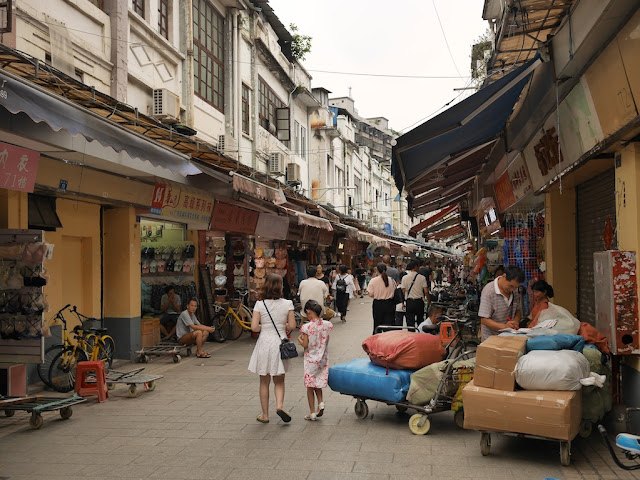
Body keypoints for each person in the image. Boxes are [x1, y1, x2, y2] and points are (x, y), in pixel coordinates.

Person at [248, 273, 297, 424]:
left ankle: (265, 415)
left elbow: (254, 327)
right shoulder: (288, 303)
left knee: (264, 381)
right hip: (280, 342)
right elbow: (293, 326)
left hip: (264, 342)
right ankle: (280, 406)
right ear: (281, 286)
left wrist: (266, 326)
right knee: (279, 380)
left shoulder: (260, 304)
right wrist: (283, 326)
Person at [297, 300, 333, 421]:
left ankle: (312, 412)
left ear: (308, 312)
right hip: (322, 359)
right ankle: (321, 403)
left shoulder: (306, 327)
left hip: (310, 360)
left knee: (310, 386)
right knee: (318, 383)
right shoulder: (327, 325)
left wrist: (299, 340)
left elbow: (305, 345)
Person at [478, 265, 525, 341]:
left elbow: (518, 311)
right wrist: (504, 326)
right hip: (491, 338)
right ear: (504, 276)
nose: (512, 289)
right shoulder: (489, 291)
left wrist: (515, 322)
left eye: (515, 287)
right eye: (511, 286)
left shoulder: (514, 290)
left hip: (508, 336)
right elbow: (484, 320)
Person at [368, 263, 397, 334]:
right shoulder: (391, 280)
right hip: (389, 304)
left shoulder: (373, 280)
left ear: (377, 270)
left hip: (378, 304)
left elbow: (371, 294)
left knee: (377, 324)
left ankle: (377, 341)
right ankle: (389, 340)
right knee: (389, 324)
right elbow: (395, 291)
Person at [401, 259, 429, 328]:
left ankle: (411, 335)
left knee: (410, 322)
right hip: (419, 302)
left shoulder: (404, 278)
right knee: (420, 320)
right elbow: (426, 291)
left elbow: (403, 292)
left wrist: (402, 303)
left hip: (410, 302)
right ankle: (419, 335)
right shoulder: (422, 278)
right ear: (416, 267)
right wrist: (428, 300)